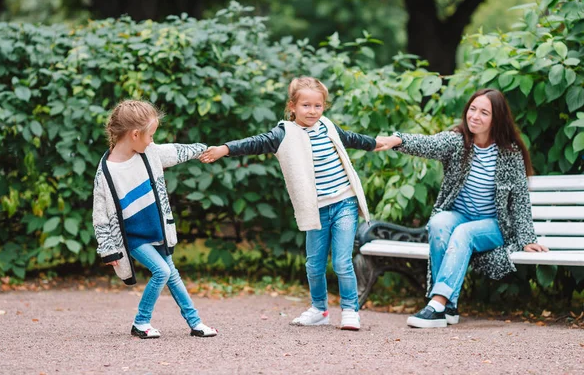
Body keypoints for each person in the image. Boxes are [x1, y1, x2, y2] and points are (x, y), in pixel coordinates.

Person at [200, 77, 384, 330]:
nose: (312, 111)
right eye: (306, 106)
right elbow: (255, 143)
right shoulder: (284, 133)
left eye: (318, 106)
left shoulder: (328, 126)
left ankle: (350, 310)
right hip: (316, 209)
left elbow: (353, 139)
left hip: (344, 203)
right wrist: (224, 149)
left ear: (324, 107)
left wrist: (378, 143)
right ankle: (319, 310)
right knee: (314, 264)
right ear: (292, 107)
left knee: (342, 261)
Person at [374, 88, 548, 328]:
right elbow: (429, 144)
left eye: (484, 112)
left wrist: (527, 237)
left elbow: (519, 199)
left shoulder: (509, 153)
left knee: (464, 233)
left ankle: (436, 304)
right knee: (438, 223)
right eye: (472, 109)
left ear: (496, 118)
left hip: (494, 224)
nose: (475, 116)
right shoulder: (458, 142)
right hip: (460, 215)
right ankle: (449, 306)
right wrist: (397, 140)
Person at [92, 100, 217, 338]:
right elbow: (100, 216)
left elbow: (175, 151)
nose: (152, 141)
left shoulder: (149, 153)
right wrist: (108, 249)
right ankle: (141, 322)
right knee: (162, 272)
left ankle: (196, 323)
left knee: (172, 274)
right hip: (134, 238)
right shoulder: (106, 172)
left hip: (157, 231)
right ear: (135, 134)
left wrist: (202, 149)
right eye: (150, 135)